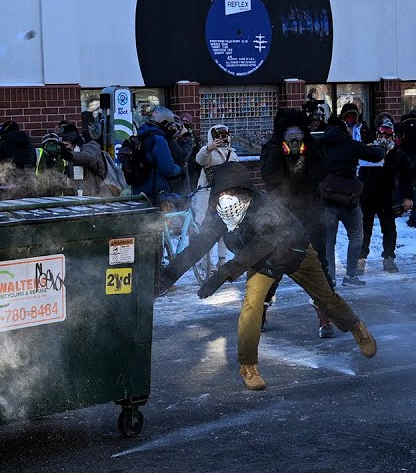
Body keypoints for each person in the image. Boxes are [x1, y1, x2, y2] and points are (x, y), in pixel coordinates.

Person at [156, 161, 377, 391]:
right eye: (222, 193)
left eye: (232, 192)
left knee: (327, 299)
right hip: (261, 265)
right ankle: (248, 366)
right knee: (252, 307)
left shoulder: (266, 207)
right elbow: (197, 247)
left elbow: (261, 245)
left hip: (295, 255)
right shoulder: (221, 215)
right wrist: (164, 278)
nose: (227, 199)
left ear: (245, 190)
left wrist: (223, 273)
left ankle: (355, 326)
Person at [260, 109, 333, 336]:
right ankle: (259, 312)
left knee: (319, 266)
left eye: (298, 133)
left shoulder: (313, 147)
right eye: (289, 133)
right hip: (281, 217)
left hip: (311, 214)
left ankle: (325, 316)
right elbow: (269, 177)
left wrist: (306, 152)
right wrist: (280, 153)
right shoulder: (271, 148)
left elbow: (320, 174)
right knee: (273, 267)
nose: (294, 138)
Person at [319, 114, 385, 287]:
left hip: (327, 198)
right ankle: (350, 276)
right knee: (356, 236)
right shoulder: (349, 144)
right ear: (344, 129)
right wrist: (383, 147)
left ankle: (330, 277)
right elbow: (376, 155)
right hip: (349, 199)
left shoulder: (321, 145)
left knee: (329, 241)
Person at [357, 119, 413, 274]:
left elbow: (407, 177)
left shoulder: (397, 154)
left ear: (392, 137)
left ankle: (389, 258)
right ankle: (360, 259)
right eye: (382, 134)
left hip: (387, 197)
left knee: (389, 229)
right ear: (377, 134)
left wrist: (408, 197)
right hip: (367, 197)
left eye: (388, 135)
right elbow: (360, 173)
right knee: (364, 229)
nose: (384, 138)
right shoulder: (370, 151)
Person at [194, 125, 240, 263]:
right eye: (218, 135)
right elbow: (199, 160)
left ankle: (222, 259)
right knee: (207, 228)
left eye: (224, 135)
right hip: (207, 195)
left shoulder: (232, 154)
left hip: (226, 196)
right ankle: (205, 261)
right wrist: (209, 148)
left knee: (225, 228)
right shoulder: (208, 152)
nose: (221, 138)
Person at [131, 107, 184, 206]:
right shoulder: (159, 140)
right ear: (164, 123)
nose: (171, 128)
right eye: (170, 125)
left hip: (138, 192)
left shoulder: (141, 135)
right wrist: (180, 169)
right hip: (156, 194)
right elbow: (168, 169)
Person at [60, 128, 120, 197]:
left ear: (74, 143)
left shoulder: (90, 148)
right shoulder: (71, 157)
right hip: (82, 197)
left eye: (66, 145)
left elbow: (88, 157)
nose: (65, 148)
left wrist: (69, 155)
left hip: (98, 196)